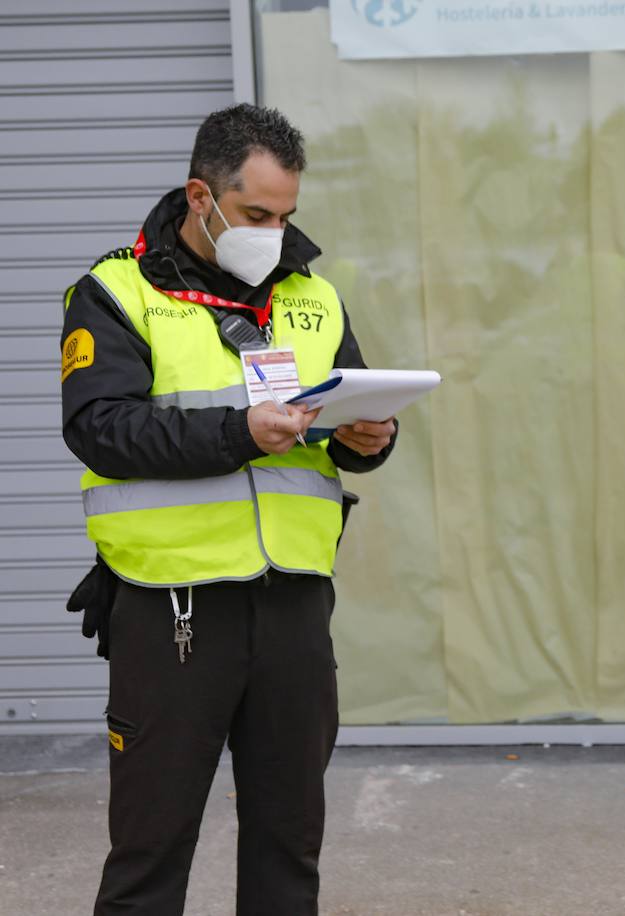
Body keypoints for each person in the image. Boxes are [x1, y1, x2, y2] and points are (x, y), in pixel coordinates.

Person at [60, 103, 397, 915]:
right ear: (200, 196)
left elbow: (348, 424)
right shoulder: (114, 292)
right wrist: (240, 431)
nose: (274, 233)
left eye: (286, 216)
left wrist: (367, 438)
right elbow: (100, 429)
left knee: (290, 845)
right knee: (152, 847)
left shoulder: (311, 297)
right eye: (256, 215)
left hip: (293, 605)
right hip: (171, 608)